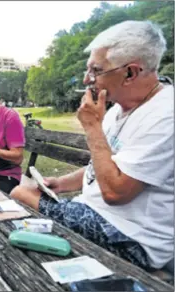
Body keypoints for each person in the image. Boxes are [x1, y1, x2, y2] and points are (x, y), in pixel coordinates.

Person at [11, 20, 174, 272]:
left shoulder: (165, 115)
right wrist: (61, 183)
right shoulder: (118, 108)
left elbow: (115, 193)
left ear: (130, 72)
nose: (88, 79)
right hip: (95, 213)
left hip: (131, 239)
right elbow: (104, 167)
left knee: (21, 193)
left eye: (96, 70)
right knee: (26, 187)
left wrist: (92, 128)